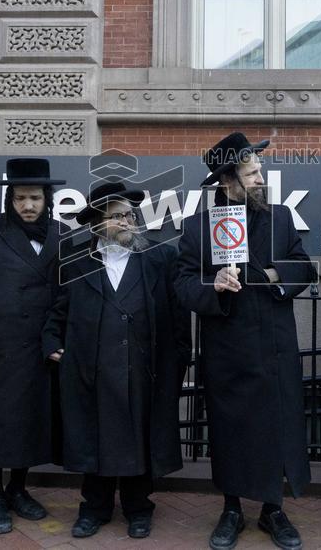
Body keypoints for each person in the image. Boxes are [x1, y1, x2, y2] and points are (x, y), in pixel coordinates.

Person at [173, 132, 318, 550]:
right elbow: (182, 284)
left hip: (275, 345)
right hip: (227, 348)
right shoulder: (199, 226)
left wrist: (271, 277)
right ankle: (232, 509)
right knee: (230, 430)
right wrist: (213, 283)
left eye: (260, 170)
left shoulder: (280, 218)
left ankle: (273, 510)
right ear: (227, 181)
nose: (260, 178)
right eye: (252, 172)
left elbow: (303, 268)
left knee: (276, 428)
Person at [41, 181, 191, 540]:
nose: (127, 222)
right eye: (118, 217)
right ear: (96, 224)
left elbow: (177, 317)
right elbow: (58, 309)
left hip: (144, 368)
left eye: (130, 215)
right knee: (95, 437)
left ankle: (139, 508)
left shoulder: (158, 258)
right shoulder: (76, 261)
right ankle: (95, 507)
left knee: (140, 436)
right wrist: (51, 340)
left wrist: (179, 362)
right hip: (92, 370)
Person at [0, 158, 65, 534]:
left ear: (46, 198)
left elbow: (65, 295)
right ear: (10, 200)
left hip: (39, 349)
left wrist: (55, 340)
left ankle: (18, 488)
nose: (28, 205)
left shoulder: (60, 233)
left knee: (31, 423)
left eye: (35, 197)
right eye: (20, 198)